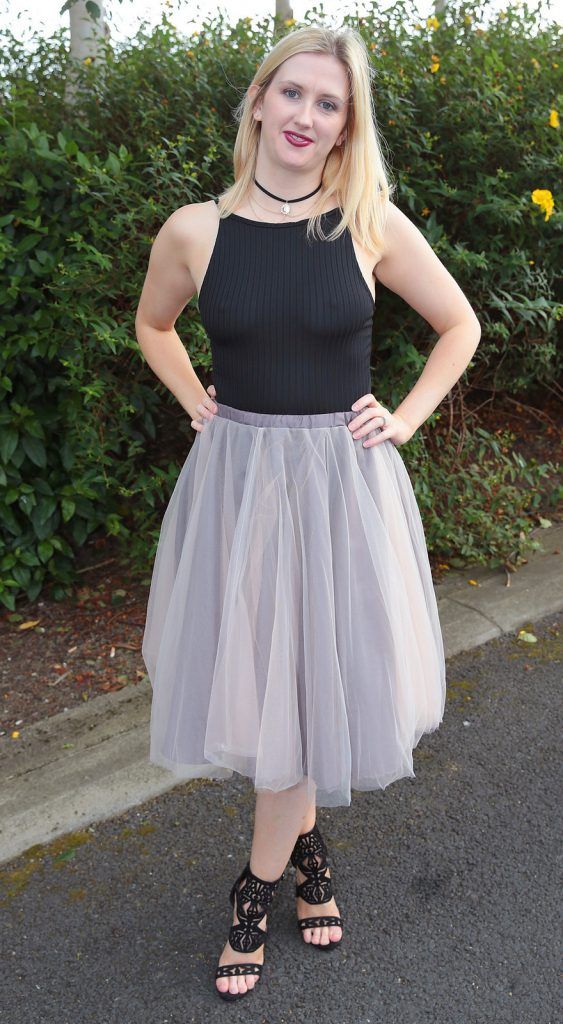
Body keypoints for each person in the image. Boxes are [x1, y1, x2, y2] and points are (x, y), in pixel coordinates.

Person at [135, 23, 481, 1003]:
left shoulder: (365, 219)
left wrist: (404, 417)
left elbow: (458, 324)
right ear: (257, 101)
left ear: (344, 125)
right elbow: (151, 323)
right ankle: (306, 852)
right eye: (292, 94)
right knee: (267, 682)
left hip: (340, 482)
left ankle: (257, 883)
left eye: (328, 103)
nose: (306, 115)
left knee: (312, 675)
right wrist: (193, 397)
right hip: (240, 484)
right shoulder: (195, 230)